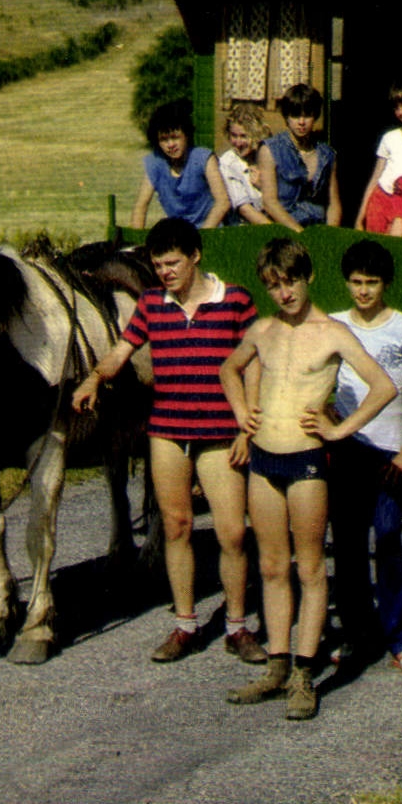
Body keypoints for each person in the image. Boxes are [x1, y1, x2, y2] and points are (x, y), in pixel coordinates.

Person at [70, 217, 265, 664]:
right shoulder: (153, 304)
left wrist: (247, 424)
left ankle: (237, 627)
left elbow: (254, 360)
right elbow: (122, 351)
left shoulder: (234, 299)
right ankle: (185, 625)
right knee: (176, 528)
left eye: (173, 263)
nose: (165, 272)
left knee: (232, 532)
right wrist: (93, 379)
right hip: (168, 432)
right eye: (158, 264)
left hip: (221, 434)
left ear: (195, 256)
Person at [218, 237, 396, 720]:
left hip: (307, 464)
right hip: (263, 460)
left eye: (291, 281)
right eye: (275, 285)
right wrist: (241, 414)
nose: (285, 293)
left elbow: (383, 386)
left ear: (308, 277)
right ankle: (276, 666)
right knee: (272, 568)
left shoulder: (332, 333)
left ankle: (304, 674)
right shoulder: (263, 330)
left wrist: (338, 429)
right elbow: (229, 369)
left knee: (311, 569)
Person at [327, 239, 402, 674]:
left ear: (386, 283)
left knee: (390, 540)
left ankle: (400, 636)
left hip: (389, 454)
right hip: (345, 451)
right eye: (355, 282)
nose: (362, 291)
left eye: (371, 283)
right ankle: (358, 634)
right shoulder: (334, 325)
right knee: (350, 547)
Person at [130, 100, 230, 230]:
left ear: (186, 135)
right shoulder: (155, 163)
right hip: (179, 234)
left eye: (175, 137)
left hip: (211, 230)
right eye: (164, 140)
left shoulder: (203, 158)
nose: (171, 145)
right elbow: (141, 206)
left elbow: (223, 202)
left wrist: (203, 235)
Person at [353, 76, 402, 234]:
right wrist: (359, 218)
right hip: (381, 200)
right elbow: (375, 178)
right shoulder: (389, 137)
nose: (400, 112)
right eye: (396, 108)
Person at [258, 83, 341, 231]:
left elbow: (333, 203)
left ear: (315, 116)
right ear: (287, 116)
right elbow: (269, 202)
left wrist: (330, 234)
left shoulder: (327, 154)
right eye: (296, 115)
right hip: (284, 229)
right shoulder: (270, 149)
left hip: (317, 228)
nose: (301, 122)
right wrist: (299, 233)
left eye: (307, 115)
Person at [217, 104, 272, 225]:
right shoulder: (227, 163)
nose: (238, 142)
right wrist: (275, 229)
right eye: (233, 136)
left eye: (243, 136)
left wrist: (263, 186)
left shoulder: (266, 155)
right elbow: (245, 209)